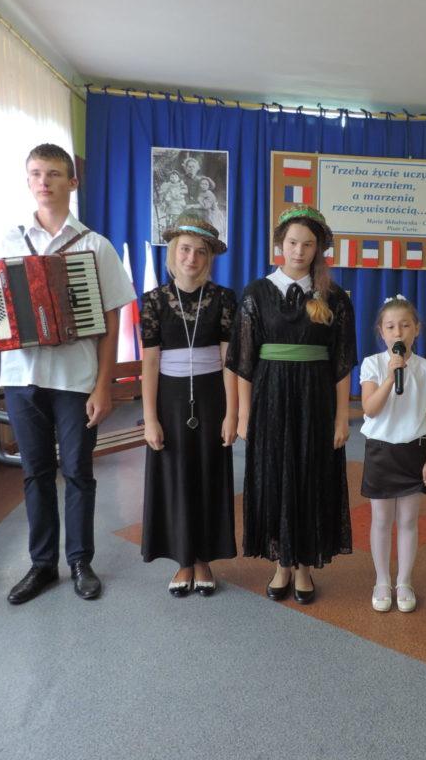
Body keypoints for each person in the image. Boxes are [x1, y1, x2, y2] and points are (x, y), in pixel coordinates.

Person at [0, 143, 136, 604]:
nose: (43, 181)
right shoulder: (9, 240)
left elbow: (111, 322)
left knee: (79, 472)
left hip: (75, 379)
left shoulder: (94, 245)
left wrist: (104, 386)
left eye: (53, 173)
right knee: (35, 472)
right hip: (21, 376)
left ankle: (81, 561)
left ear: (72, 182)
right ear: (28, 181)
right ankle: (42, 564)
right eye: (35, 173)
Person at [227, 205, 356, 604]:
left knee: (310, 475)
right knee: (275, 475)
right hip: (271, 396)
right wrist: (244, 414)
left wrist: (342, 417)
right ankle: (282, 562)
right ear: (280, 245)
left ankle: (303, 567)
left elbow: (341, 362)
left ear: (319, 249)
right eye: (293, 243)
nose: (299, 251)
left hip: (316, 399)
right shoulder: (256, 292)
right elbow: (244, 359)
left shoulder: (334, 296)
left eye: (308, 244)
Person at [140, 215, 237, 597]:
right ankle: (183, 559)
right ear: (172, 253)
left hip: (212, 399)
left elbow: (230, 360)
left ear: (209, 258)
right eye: (184, 249)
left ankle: (204, 559)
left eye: (200, 252)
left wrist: (232, 413)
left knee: (209, 475)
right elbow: (150, 363)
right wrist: (150, 418)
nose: (191, 258)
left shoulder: (224, 299)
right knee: (175, 477)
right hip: (170, 401)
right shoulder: (153, 301)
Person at [360, 295, 426, 612]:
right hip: (380, 451)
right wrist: (390, 376)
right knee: (381, 520)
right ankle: (382, 580)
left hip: (413, 451)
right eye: (391, 326)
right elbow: (370, 409)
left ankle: (404, 581)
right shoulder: (372, 364)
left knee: (408, 520)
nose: (398, 332)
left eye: (405, 325)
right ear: (381, 332)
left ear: (416, 329)